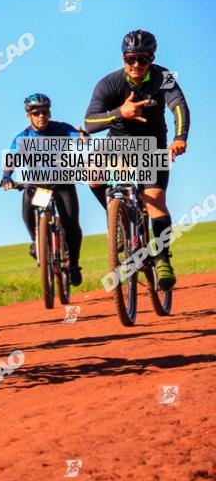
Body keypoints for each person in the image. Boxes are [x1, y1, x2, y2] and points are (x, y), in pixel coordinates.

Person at [84, 29, 190, 289]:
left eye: (143, 59)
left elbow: (179, 105)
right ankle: (117, 219)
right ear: (123, 58)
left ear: (152, 59)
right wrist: (120, 111)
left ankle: (163, 258)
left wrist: (179, 138)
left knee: (155, 201)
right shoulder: (109, 83)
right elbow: (89, 121)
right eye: (131, 59)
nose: (136, 65)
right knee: (93, 176)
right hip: (118, 143)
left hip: (152, 144)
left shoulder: (163, 78)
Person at [1, 93, 85, 286]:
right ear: (28, 116)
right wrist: (7, 176)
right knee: (27, 201)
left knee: (71, 223)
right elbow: (11, 158)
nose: (41, 116)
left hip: (62, 183)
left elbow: (77, 137)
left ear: (50, 113)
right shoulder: (24, 137)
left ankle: (74, 264)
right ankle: (36, 241)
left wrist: (82, 137)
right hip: (41, 188)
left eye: (45, 112)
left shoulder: (61, 129)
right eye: (36, 112)